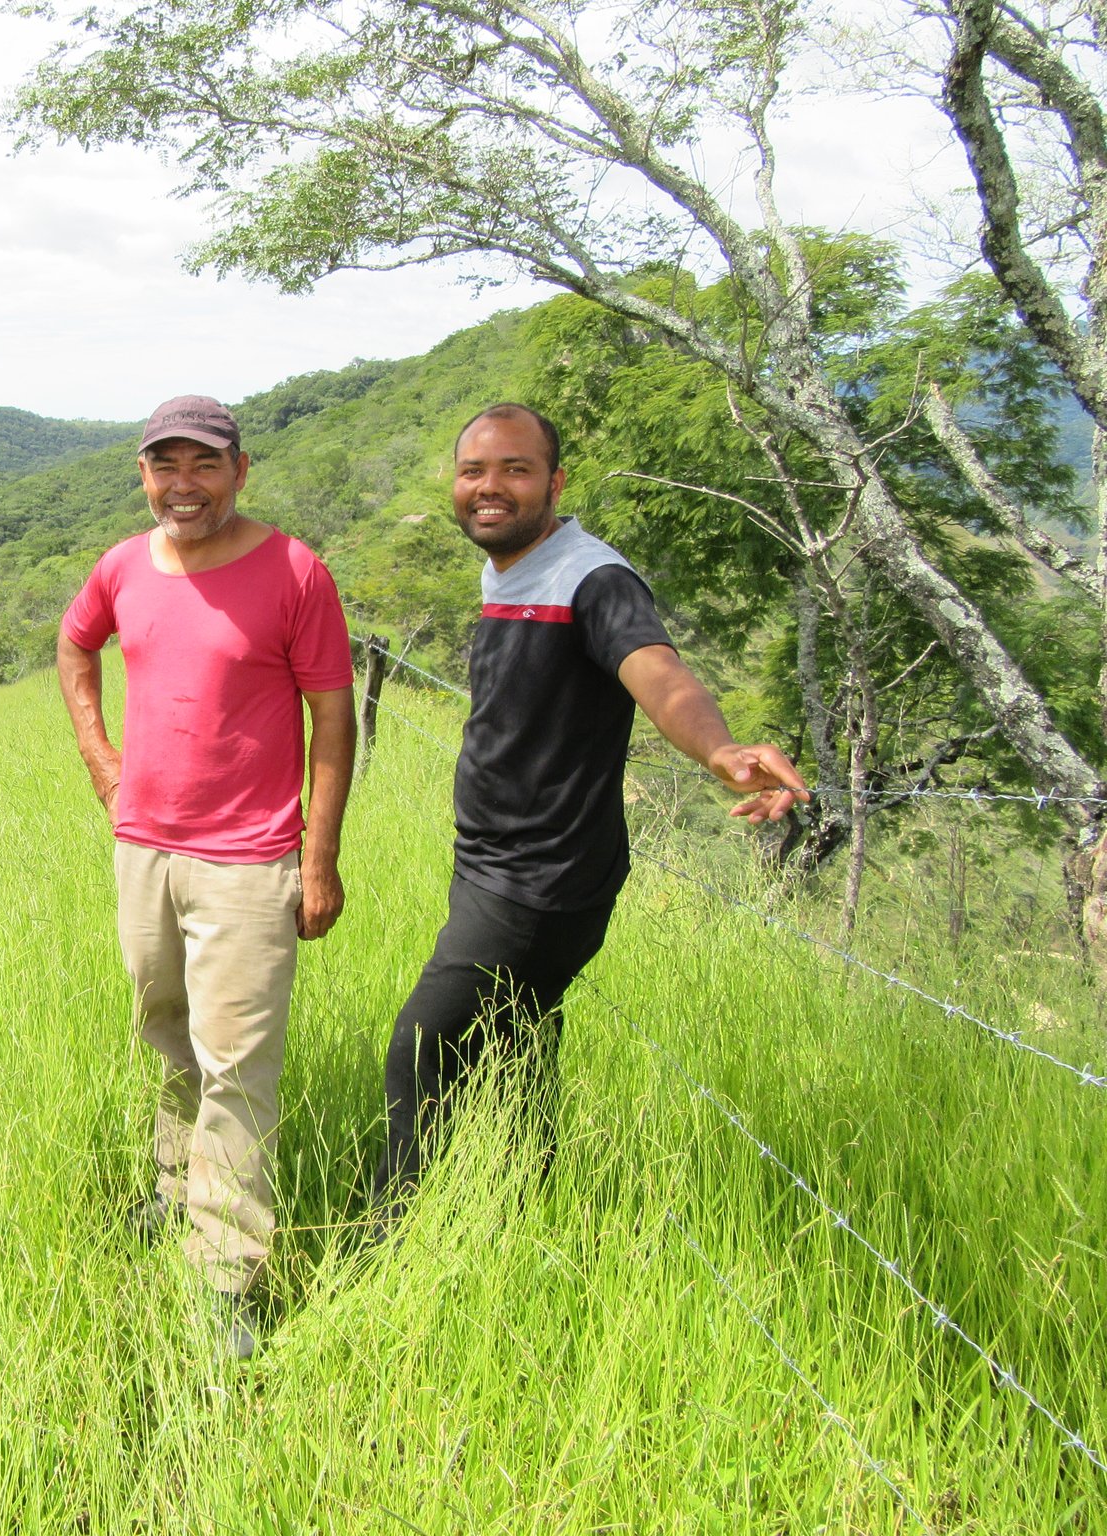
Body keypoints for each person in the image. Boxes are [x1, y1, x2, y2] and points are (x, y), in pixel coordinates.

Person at [373, 402, 808, 1208]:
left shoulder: (593, 578)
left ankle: (387, 1242)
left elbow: (659, 672)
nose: (490, 487)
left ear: (556, 482)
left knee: (424, 1046)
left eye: (516, 470)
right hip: (494, 861)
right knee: (517, 1041)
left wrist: (721, 751)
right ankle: (524, 1203)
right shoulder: (511, 567)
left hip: (539, 878)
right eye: (474, 471)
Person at [58, 394, 357, 1357]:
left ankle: (226, 1275)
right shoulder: (122, 566)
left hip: (250, 860)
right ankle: (172, 1188)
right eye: (165, 465)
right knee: (166, 1030)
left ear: (240, 470)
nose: (183, 486)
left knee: (237, 1066)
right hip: (143, 846)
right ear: (143, 474)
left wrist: (318, 858)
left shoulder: (296, 572)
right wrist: (101, 761)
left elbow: (333, 719)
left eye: (204, 465)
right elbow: (75, 644)